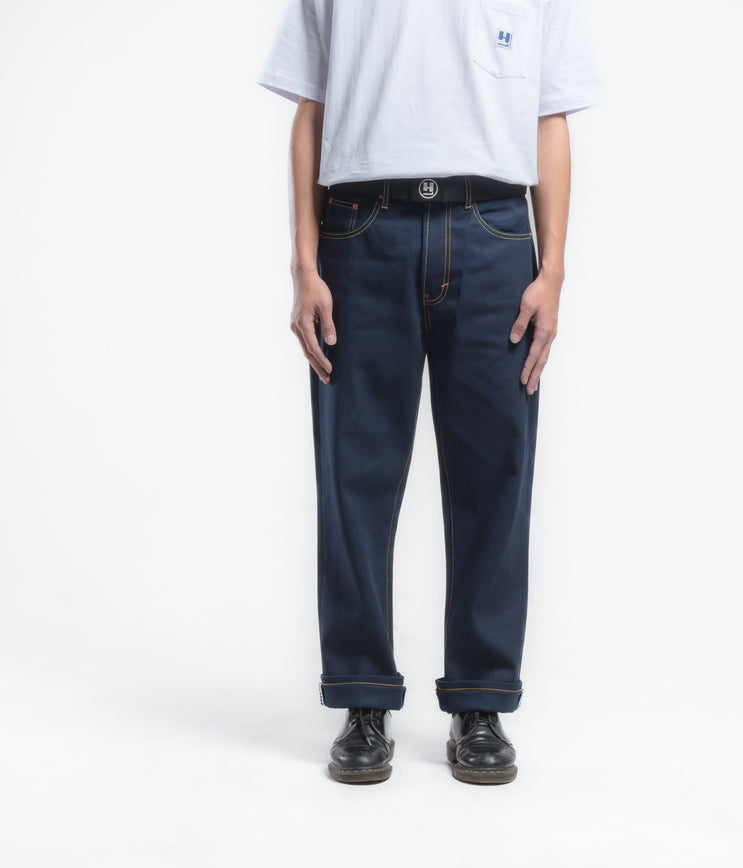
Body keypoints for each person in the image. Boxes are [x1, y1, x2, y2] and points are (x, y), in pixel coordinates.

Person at [257, 0, 604, 785]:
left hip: (493, 229)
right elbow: (310, 108)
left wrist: (552, 269)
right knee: (354, 473)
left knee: (494, 474)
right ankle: (362, 695)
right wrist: (303, 261)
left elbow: (549, 116)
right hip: (360, 228)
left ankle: (480, 698)